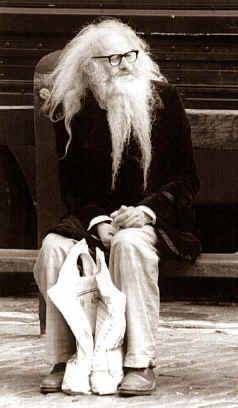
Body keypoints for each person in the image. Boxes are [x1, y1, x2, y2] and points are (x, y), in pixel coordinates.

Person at [33, 17, 201, 396]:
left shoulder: (164, 99)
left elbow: (187, 179)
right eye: (113, 59)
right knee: (54, 248)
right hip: (96, 222)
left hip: (158, 222)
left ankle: (140, 362)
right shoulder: (73, 107)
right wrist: (96, 222)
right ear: (90, 67)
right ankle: (64, 359)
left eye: (130, 54)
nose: (126, 64)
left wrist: (147, 212)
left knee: (130, 244)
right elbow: (71, 187)